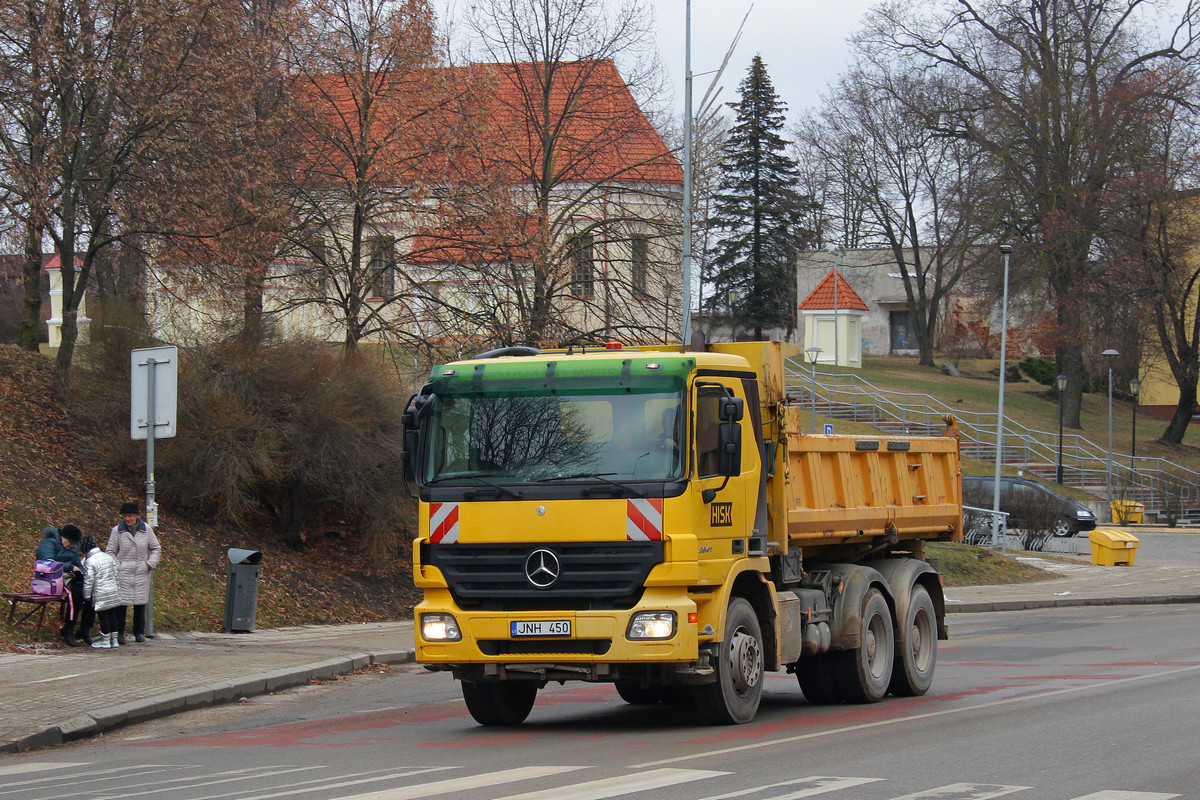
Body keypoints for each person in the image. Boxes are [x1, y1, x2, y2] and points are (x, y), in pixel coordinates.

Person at [107, 502, 161, 644]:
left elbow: (156, 548)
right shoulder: (117, 531)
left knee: (140, 603)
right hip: (123, 570)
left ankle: (139, 632)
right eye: (125, 516)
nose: (127, 519)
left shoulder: (147, 530)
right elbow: (110, 551)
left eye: (130, 516)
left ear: (137, 516)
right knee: (121, 604)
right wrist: (118, 566)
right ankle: (119, 632)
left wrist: (149, 564)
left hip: (141, 570)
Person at [36, 524, 94, 646]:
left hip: (69, 578)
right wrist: (70, 567)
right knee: (77, 595)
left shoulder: (71, 548)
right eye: (70, 543)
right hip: (50, 579)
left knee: (90, 594)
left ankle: (85, 628)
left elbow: (78, 564)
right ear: (63, 537)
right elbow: (46, 563)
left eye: (74, 544)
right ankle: (68, 628)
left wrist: (83, 572)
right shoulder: (49, 543)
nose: (72, 546)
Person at [80, 535, 121, 649]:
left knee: (103, 617)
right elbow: (116, 574)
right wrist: (117, 589)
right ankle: (114, 640)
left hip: (101, 592)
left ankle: (105, 640)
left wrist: (86, 596)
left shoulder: (90, 561)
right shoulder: (108, 557)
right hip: (112, 590)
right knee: (112, 615)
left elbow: (89, 580)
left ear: (85, 551)